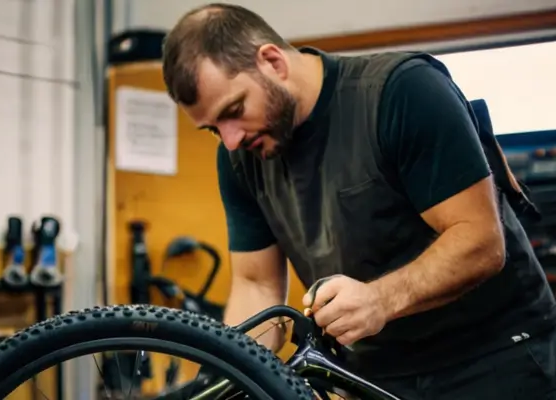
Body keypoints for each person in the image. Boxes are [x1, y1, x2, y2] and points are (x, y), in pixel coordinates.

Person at [161, 3, 556, 399]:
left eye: (234, 110)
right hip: (376, 373)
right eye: (213, 128)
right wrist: (228, 377)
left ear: (272, 62)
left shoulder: (401, 92)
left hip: (495, 357)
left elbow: (481, 242)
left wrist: (379, 299)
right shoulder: (239, 158)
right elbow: (257, 285)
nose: (230, 139)